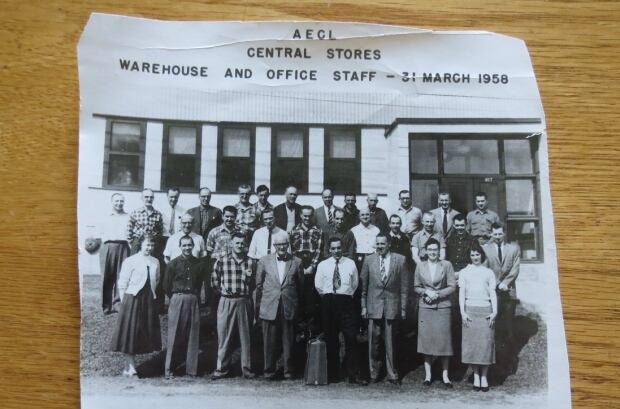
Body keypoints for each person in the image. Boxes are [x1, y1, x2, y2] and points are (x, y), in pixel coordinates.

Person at [315, 237, 367, 385]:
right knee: (331, 339)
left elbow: (355, 284)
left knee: (351, 338)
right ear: (329, 249)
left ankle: (353, 374)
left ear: (342, 248)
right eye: (333, 248)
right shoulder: (323, 265)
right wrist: (329, 298)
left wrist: (345, 295)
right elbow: (318, 285)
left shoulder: (350, 264)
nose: (336, 251)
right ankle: (332, 374)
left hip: (346, 302)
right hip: (329, 302)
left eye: (339, 248)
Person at [110, 235, 161, 377]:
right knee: (130, 333)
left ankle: (128, 366)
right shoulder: (130, 261)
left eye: (152, 245)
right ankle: (131, 366)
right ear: (140, 245)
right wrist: (125, 301)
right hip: (132, 299)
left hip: (148, 300)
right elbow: (122, 282)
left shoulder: (155, 261)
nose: (150, 248)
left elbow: (156, 280)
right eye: (147, 245)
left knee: (142, 333)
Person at [361, 234, 408, 384]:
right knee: (373, 342)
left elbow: (405, 288)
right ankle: (373, 373)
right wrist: (363, 306)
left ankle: (392, 373)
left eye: (382, 244)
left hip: (392, 305)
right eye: (377, 244)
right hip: (373, 305)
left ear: (389, 245)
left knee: (391, 342)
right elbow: (363, 287)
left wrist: (403, 308)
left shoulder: (400, 260)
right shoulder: (369, 260)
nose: (379, 246)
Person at [255, 234, 304, 380]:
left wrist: (295, 303)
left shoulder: (297, 262)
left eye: (284, 244)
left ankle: (288, 371)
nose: (282, 247)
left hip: (288, 305)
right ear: (275, 246)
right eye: (279, 245)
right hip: (269, 306)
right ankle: (268, 371)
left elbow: (301, 286)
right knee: (269, 341)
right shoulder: (264, 261)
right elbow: (259, 284)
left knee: (288, 340)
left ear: (288, 244)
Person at [210, 233, 256, 379]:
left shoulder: (251, 262)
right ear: (231, 244)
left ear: (245, 245)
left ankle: (247, 369)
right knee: (224, 335)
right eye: (237, 243)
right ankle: (222, 368)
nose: (240, 246)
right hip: (226, 301)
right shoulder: (221, 261)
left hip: (244, 301)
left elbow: (255, 284)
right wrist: (225, 293)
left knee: (246, 337)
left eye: (242, 243)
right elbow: (214, 282)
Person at [414, 238, 456, 387]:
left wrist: (437, 294)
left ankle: (445, 376)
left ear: (439, 251)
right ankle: (428, 375)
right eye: (430, 249)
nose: (432, 252)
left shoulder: (446, 265)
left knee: (444, 342)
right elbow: (416, 286)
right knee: (426, 342)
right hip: (426, 307)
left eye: (435, 250)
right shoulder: (420, 266)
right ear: (425, 251)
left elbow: (452, 286)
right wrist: (426, 292)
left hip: (443, 307)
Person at [163, 236, 206, 379]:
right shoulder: (172, 264)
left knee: (193, 335)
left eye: (189, 245)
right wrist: (176, 297)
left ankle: (191, 370)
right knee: (174, 334)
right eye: (184, 245)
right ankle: (169, 369)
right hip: (177, 298)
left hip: (193, 299)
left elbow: (199, 284)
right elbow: (166, 286)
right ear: (180, 246)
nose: (187, 248)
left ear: (193, 246)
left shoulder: (199, 264)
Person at [482, 223, 521, 376]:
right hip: (493, 292)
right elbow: (485, 268)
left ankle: (510, 361)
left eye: (500, 234)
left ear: (504, 233)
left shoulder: (514, 248)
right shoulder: (486, 249)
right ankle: (495, 362)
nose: (497, 237)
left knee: (508, 328)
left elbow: (516, 268)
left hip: (508, 292)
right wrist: (497, 284)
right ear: (491, 234)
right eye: (495, 234)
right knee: (494, 327)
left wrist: (506, 283)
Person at [459, 243, 498, 392]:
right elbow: (462, 293)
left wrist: (495, 312)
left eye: (477, 254)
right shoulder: (464, 272)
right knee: (473, 346)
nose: (475, 257)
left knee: (486, 346)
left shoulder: (488, 272)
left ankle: (484, 377)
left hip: (486, 311)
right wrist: (463, 312)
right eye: (472, 254)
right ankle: (476, 376)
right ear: (469, 256)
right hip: (470, 311)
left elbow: (493, 293)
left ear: (482, 255)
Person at [290, 206, 323, 335]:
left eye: (309, 216)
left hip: (312, 266)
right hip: (299, 265)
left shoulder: (318, 230)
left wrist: (312, 267)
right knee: (299, 297)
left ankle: (311, 329)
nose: (307, 218)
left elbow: (319, 250)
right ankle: (300, 329)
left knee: (311, 299)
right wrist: (300, 268)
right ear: (300, 216)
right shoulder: (294, 230)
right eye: (305, 216)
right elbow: (292, 249)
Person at [100, 193, 130, 314]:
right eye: (117, 201)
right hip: (108, 246)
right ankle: (106, 305)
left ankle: (117, 303)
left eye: (121, 201)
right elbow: (99, 233)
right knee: (107, 276)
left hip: (123, 246)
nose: (119, 203)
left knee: (121, 275)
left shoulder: (128, 217)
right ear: (112, 202)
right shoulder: (105, 216)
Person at [126, 188, 164, 255]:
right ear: (142, 198)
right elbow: (129, 229)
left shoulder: (158, 214)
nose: (149, 199)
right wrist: (132, 242)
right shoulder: (135, 213)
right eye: (146, 197)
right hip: (137, 242)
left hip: (152, 244)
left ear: (153, 199)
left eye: (151, 197)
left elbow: (160, 231)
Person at [350, 207, 380, 272]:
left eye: (367, 214)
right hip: (359, 258)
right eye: (362, 215)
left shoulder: (376, 230)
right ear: (359, 216)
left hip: (373, 257)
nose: (365, 217)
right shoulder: (353, 230)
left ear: (370, 215)